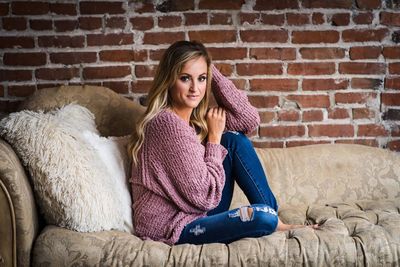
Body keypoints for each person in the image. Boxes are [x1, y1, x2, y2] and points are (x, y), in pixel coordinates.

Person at [128, 40, 316, 246]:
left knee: (233, 140)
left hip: (196, 213)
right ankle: (272, 220)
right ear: (169, 80)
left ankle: (276, 222)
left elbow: (249, 119)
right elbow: (204, 196)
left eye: (201, 79)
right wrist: (214, 140)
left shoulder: (193, 124)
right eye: (185, 78)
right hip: (173, 227)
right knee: (263, 218)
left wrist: (209, 68)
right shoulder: (166, 124)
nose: (195, 89)